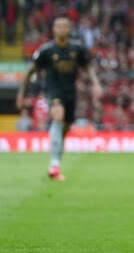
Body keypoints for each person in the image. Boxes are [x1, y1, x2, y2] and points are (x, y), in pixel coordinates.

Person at [16, 16, 102, 181]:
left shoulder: (77, 49)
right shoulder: (46, 50)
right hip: (53, 91)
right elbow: (29, 72)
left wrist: (96, 84)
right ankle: (54, 165)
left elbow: (87, 67)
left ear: (69, 29)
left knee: (64, 127)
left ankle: (56, 158)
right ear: (54, 30)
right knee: (58, 116)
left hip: (71, 93)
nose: (62, 29)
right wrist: (21, 94)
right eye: (59, 27)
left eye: (65, 26)